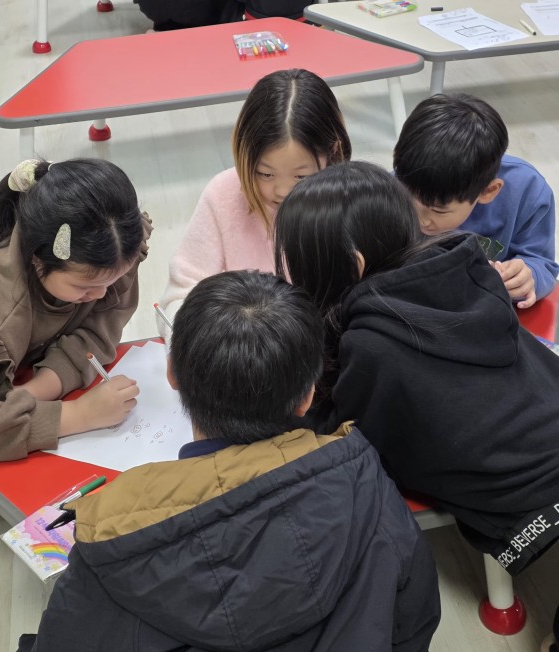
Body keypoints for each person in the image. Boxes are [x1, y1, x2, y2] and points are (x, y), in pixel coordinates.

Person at [18, 269, 440, 652]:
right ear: (308, 396)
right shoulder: (369, 486)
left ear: (172, 375)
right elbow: (411, 624)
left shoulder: (112, 538)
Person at [274, 161, 559, 648]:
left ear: (354, 265)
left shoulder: (371, 344)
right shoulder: (469, 265)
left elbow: (344, 435)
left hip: (524, 496)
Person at [0, 158, 152, 462]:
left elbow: (99, 329)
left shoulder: (112, 249)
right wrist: (78, 415)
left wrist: (38, 389)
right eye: (84, 287)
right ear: (38, 259)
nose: (101, 294)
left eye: (112, 280)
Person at [157, 68, 352, 335]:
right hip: (242, 349)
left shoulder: (352, 202)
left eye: (301, 176)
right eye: (265, 174)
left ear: (333, 152)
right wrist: (189, 345)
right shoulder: (224, 194)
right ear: (244, 153)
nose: (282, 191)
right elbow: (179, 298)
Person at [393, 92, 559, 309]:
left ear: (488, 192)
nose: (421, 220)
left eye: (439, 210)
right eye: (409, 200)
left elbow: (542, 263)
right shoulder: (391, 186)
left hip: (488, 311)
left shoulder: (527, 192)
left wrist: (529, 276)